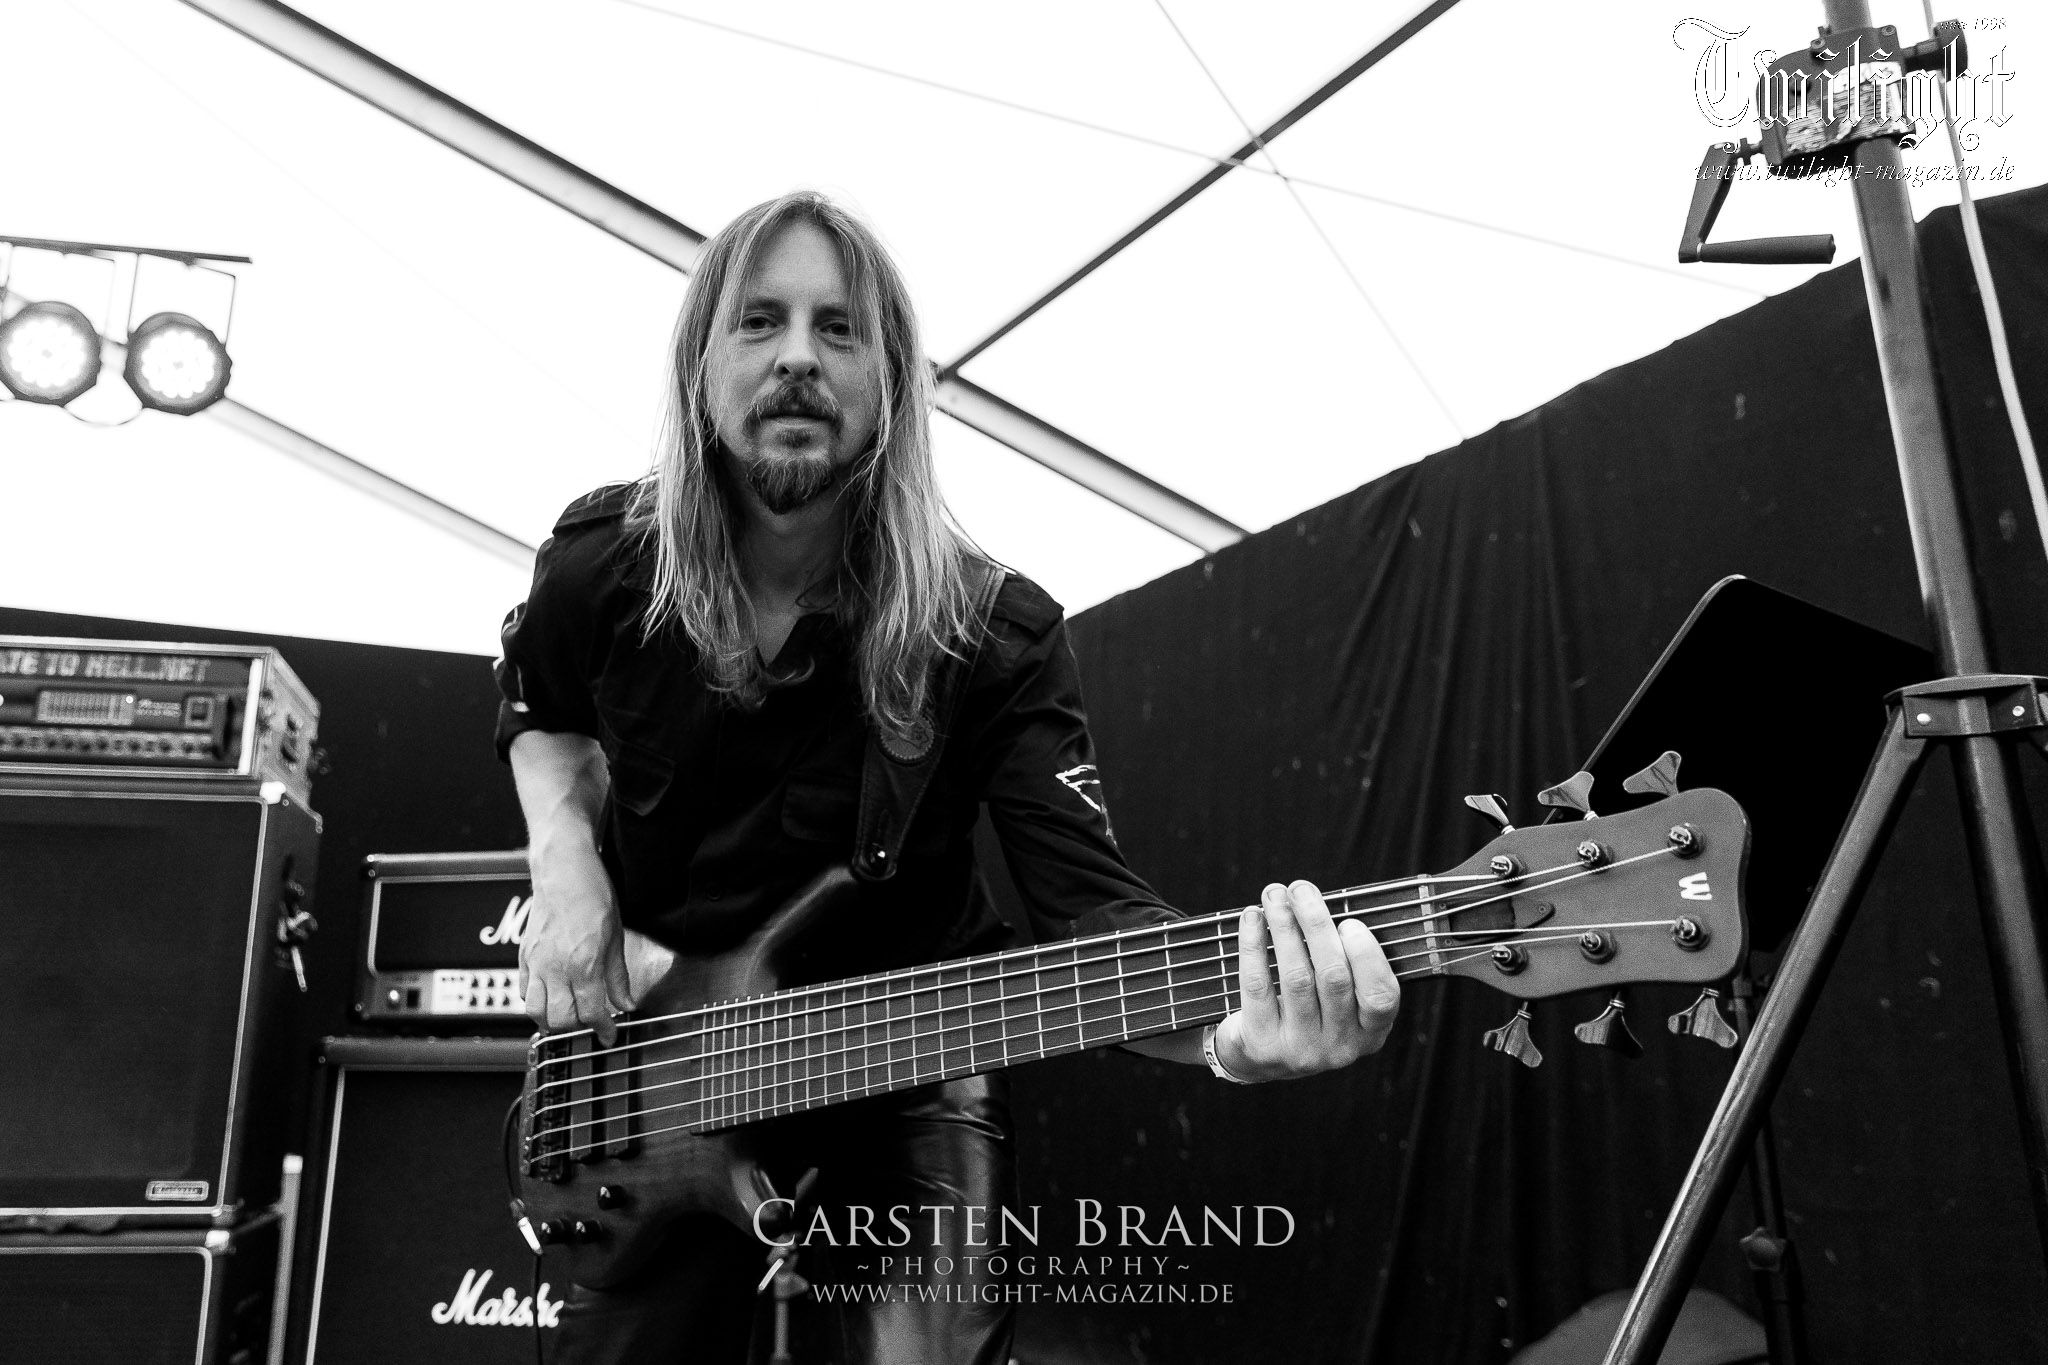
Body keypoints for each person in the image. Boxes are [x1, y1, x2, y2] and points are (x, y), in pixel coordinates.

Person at [495, 189, 1400, 1365]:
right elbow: (541, 714)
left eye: (839, 329)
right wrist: (564, 865)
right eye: (759, 321)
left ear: (889, 383)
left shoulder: (991, 633)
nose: (797, 358)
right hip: (650, 1075)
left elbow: (1095, 923)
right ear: (698, 366)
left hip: (906, 1068)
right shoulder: (600, 566)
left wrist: (1235, 1036)